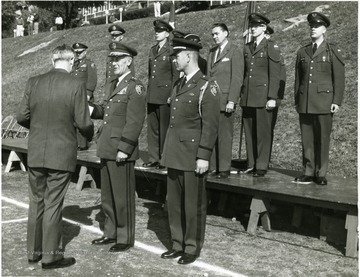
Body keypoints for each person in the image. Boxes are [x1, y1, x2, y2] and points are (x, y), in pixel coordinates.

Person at [16, 44, 94, 269]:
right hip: (61, 151)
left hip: (37, 150)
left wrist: (40, 126)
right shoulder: (76, 85)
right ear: (70, 62)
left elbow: (21, 116)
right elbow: (83, 122)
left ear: (53, 60)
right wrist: (89, 135)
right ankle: (50, 256)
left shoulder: (34, 82)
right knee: (53, 203)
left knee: (36, 201)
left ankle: (33, 252)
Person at [160, 35, 220, 265]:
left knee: (192, 205)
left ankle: (192, 247)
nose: (174, 59)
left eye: (177, 55)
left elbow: (210, 125)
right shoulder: (179, 84)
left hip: (193, 155)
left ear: (188, 56)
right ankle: (177, 243)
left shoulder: (207, 86)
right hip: (175, 152)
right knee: (174, 203)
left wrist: (203, 155)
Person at [90, 42, 146, 252]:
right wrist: (88, 108)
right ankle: (110, 232)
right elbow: (105, 112)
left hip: (121, 149)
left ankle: (124, 237)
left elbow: (134, 121)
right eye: (111, 59)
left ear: (128, 61)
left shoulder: (135, 86)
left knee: (122, 196)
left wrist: (125, 148)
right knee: (108, 195)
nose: (112, 63)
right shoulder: (112, 84)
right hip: (107, 145)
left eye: (117, 59)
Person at [293, 12, 345, 185]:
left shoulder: (332, 51)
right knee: (307, 139)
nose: (313, 29)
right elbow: (298, 79)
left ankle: (320, 173)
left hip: (324, 103)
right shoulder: (303, 51)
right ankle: (308, 171)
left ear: (324, 29)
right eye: (311, 26)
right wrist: (297, 100)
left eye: (316, 26)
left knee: (323, 139)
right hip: (306, 103)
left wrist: (336, 101)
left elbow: (339, 78)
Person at [240, 13, 284, 177]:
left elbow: (275, 74)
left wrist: (272, 97)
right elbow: (245, 73)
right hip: (248, 96)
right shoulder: (247, 47)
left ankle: (262, 165)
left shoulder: (270, 46)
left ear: (264, 28)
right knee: (249, 131)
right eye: (252, 26)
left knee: (263, 134)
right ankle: (251, 163)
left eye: (257, 26)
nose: (253, 29)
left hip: (263, 96)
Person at [207, 23, 244, 179]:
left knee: (225, 136)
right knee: (212, 134)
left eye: (217, 34)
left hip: (225, 100)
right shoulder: (211, 52)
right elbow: (208, 77)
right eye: (213, 34)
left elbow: (237, 78)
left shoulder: (235, 51)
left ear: (226, 33)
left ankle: (224, 168)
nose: (215, 37)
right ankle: (213, 166)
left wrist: (232, 101)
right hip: (212, 100)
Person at [143, 19, 179, 169]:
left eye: (160, 31)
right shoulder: (153, 50)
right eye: (156, 31)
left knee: (164, 128)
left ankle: (164, 158)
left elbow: (175, 75)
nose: (156, 34)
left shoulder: (171, 50)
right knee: (153, 129)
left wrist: (173, 94)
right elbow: (151, 73)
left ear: (167, 33)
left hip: (165, 95)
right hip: (153, 94)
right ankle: (154, 157)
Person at [71, 42, 98, 150]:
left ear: (85, 52)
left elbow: (92, 80)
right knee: (74, 120)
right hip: (73, 96)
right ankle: (76, 142)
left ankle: (83, 144)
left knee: (83, 120)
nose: (78, 54)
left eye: (80, 52)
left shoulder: (89, 64)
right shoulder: (74, 65)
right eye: (76, 52)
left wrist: (88, 94)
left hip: (84, 96)